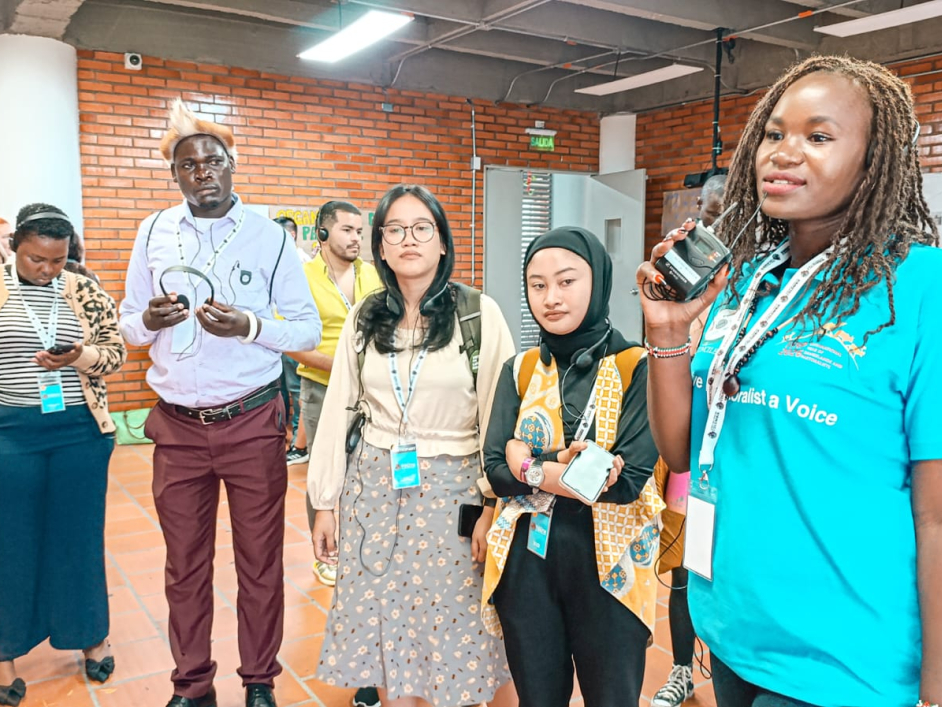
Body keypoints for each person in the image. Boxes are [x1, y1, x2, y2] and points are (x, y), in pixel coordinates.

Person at [637, 55, 942, 707]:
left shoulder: (920, 289)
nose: (784, 152)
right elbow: (682, 449)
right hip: (734, 634)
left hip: (844, 661)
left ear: (874, 159)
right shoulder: (747, 284)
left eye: (819, 136)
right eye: (774, 134)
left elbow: (937, 513)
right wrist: (666, 334)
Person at [119, 99, 321, 707]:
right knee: (185, 566)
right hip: (178, 428)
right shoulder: (153, 232)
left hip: (252, 419)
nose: (201, 172)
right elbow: (129, 326)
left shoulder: (271, 238)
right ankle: (192, 687)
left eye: (212, 161)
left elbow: (307, 330)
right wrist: (148, 321)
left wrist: (251, 326)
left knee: (260, 563)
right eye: (187, 165)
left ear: (232, 164)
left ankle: (259, 681)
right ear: (174, 175)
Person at [308, 184, 516, 707]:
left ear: (442, 242)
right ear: (379, 246)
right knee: (385, 611)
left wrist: (493, 504)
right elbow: (339, 407)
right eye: (394, 230)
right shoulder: (364, 317)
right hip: (376, 486)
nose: (408, 240)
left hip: (456, 489)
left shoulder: (478, 313)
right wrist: (325, 501)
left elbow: (500, 417)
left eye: (422, 228)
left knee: (455, 617)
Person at [481, 226, 661, 707]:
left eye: (566, 281)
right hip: (528, 568)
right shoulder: (520, 369)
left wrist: (532, 467)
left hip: (611, 572)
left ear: (597, 281)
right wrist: (559, 469)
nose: (551, 297)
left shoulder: (636, 367)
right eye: (537, 285)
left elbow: (627, 484)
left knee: (612, 698)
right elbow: (496, 467)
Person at [0, 204, 126, 707]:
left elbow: (114, 354)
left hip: (79, 430)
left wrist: (80, 356)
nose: (49, 270)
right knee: (12, 542)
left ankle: (91, 636)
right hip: (11, 433)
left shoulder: (83, 289)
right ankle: (6, 652)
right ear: (15, 248)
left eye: (57, 260)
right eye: (37, 260)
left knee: (77, 539)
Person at [652, 172, 726, 707]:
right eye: (703, 206)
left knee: (728, 570)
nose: (704, 217)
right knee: (684, 568)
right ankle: (681, 668)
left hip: (741, 465)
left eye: (720, 207)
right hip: (690, 459)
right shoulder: (688, 282)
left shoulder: (763, 291)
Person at [286, 199, 382, 590]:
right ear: (322, 233)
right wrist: (339, 366)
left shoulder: (374, 275)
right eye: (347, 230)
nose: (357, 238)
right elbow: (290, 341)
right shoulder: (302, 277)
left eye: (360, 231)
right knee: (324, 471)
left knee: (370, 468)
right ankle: (324, 554)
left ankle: (368, 546)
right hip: (322, 387)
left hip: (372, 390)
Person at [272, 216, 309, 466]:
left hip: (292, 335)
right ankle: (281, 440)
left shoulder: (304, 263)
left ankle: (299, 444)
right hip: (272, 336)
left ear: (292, 235)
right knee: (279, 392)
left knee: (297, 391)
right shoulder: (269, 257)